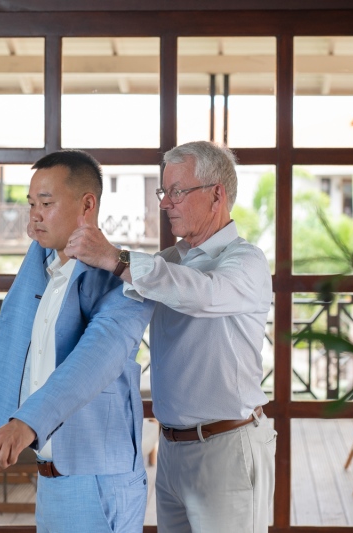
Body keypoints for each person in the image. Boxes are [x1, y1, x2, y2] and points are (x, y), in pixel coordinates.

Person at [0, 150, 154, 533]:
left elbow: (90, 362)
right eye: (31, 203)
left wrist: (23, 423)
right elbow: (27, 330)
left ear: (87, 204)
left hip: (96, 477)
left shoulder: (126, 286)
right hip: (51, 472)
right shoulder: (48, 270)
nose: (33, 214)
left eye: (46, 203)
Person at [64, 141, 276, 533]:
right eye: (164, 192)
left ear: (217, 194)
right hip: (171, 451)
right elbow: (115, 298)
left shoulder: (245, 261)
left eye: (177, 191)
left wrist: (116, 257)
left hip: (226, 449)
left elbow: (199, 293)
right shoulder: (170, 260)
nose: (165, 203)